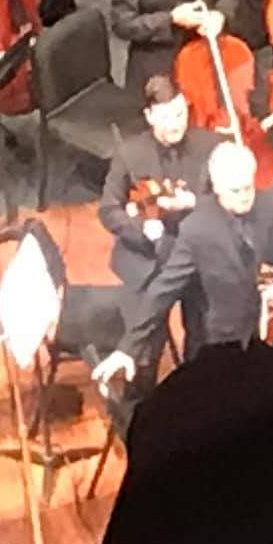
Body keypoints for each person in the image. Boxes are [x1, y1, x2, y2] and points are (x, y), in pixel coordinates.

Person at [92, 141, 273, 395]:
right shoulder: (197, 229)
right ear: (217, 188)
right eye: (235, 191)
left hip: (271, 334)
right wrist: (127, 348)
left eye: (248, 187)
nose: (244, 196)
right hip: (222, 341)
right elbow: (163, 289)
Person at [98, 77, 216, 367]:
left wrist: (193, 203)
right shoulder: (130, 153)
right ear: (149, 116)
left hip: (198, 260)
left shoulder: (211, 146)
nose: (176, 124)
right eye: (166, 117)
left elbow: (228, 203)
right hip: (147, 260)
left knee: (206, 344)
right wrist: (143, 230)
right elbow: (108, 209)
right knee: (143, 353)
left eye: (180, 113)